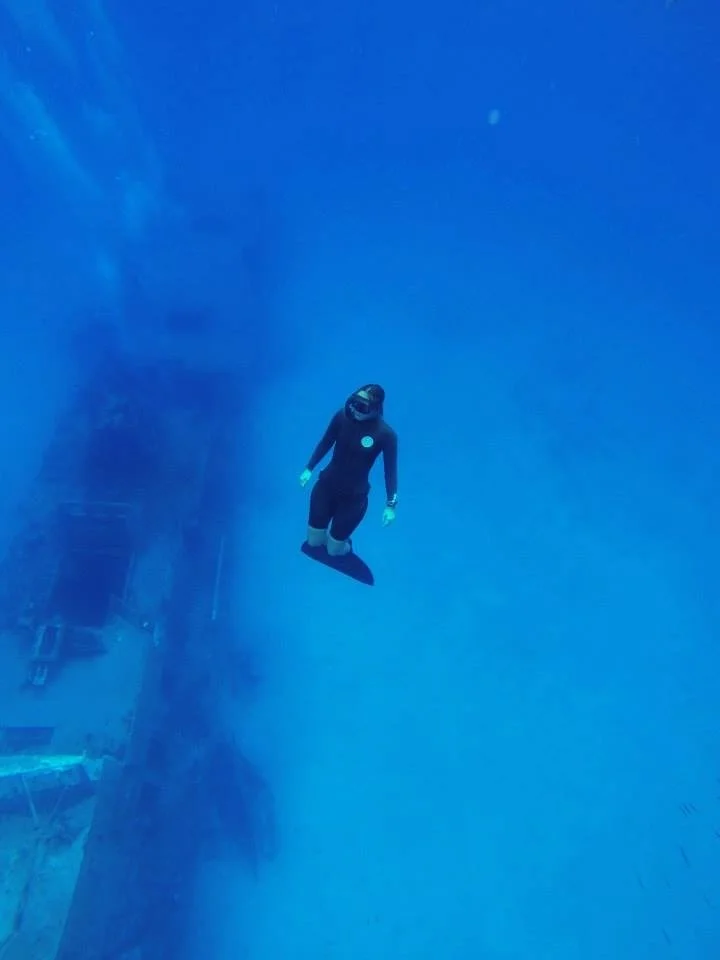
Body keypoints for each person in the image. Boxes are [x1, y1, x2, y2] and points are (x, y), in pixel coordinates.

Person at [299, 384, 398, 556]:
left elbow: (390, 472)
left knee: (334, 551)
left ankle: (344, 546)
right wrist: (309, 468)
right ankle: (332, 538)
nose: (355, 410)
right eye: (354, 404)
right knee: (314, 542)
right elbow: (326, 441)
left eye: (362, 407)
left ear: (376, 409)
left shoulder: (386, 435)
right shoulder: (342, 417)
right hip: (326, 487)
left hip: (354, 498)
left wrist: (390, 506)